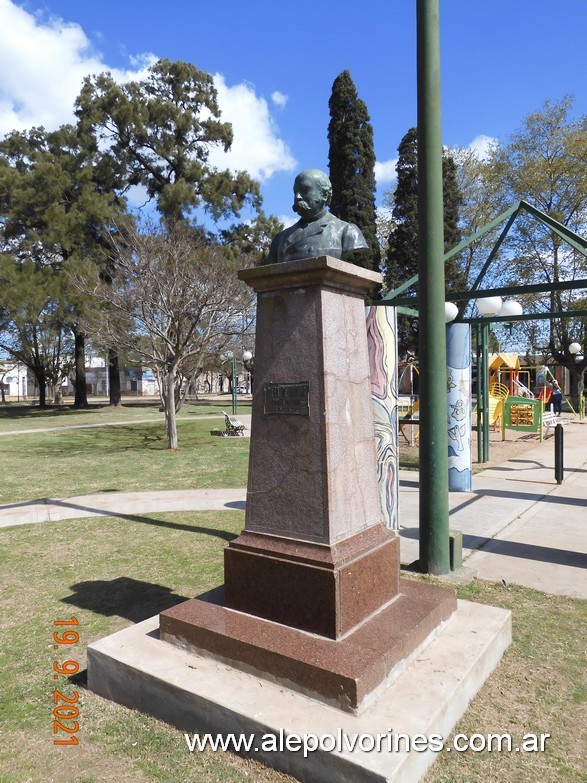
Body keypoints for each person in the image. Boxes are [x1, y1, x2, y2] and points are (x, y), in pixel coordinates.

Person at [264, 169, 369, 265]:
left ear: (324, 195)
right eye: (295, 192)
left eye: (305, 190)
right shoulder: (280, 238)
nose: (297, 197)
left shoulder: (347, 231)